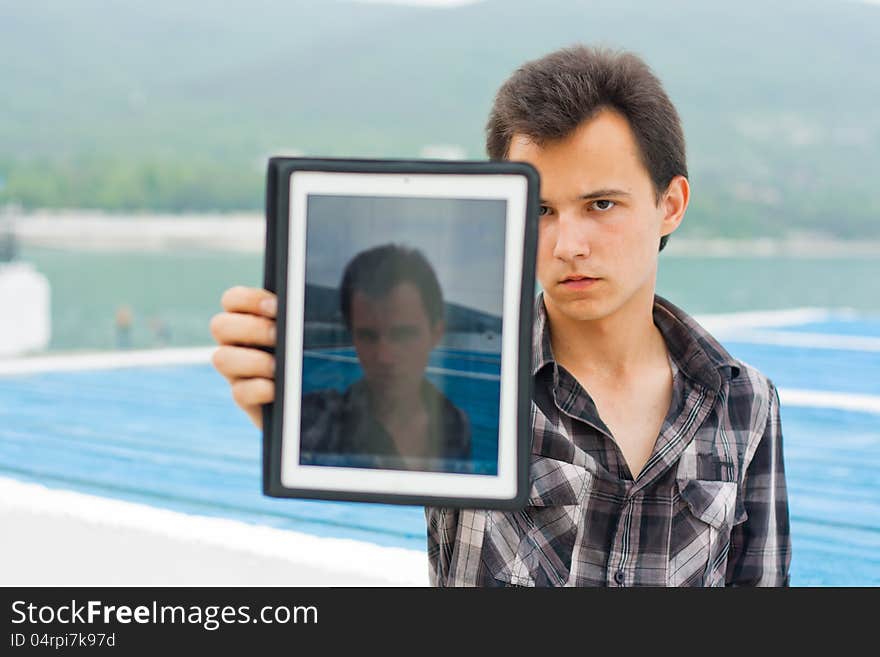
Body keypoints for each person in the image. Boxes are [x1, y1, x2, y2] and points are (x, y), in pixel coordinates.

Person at [210, 45, 791, 587]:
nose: (568, 244)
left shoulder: (745, 403)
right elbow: (378, 432)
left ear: (670, 204)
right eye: (541, 209)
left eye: (601, 204)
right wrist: (287, 411)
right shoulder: (472, 384)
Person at [299, 244, 471, 472]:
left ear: (435, 334)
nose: (385, 357)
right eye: (368, 336)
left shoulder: (456, 424)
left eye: (403, 335)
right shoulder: (318, 419)